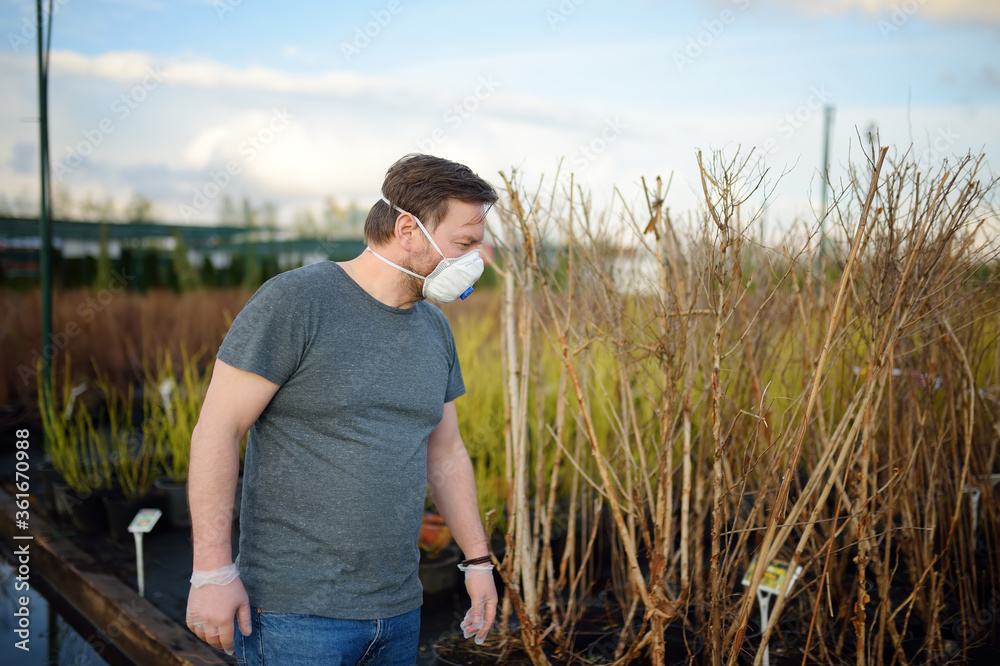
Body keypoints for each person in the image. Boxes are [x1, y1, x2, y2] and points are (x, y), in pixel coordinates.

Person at [185, 153, 500, 664]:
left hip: (399, 610)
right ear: (408, 228)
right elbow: (217, 431)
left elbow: (445, 453)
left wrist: (478, 561)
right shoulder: (296, 302)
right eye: (463, 244)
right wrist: (212, 573)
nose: (473, 261)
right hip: (294, 616)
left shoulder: (434, 328)